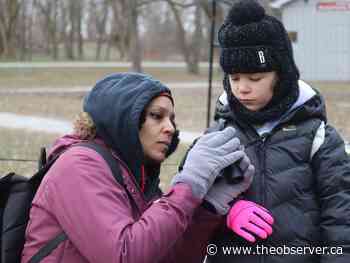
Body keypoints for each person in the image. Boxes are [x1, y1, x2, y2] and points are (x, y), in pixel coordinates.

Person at [21, 72, 261, 263]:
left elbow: (168, 257)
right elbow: (123, 255)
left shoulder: (138, 177)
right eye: (157, 116)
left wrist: (207, 208)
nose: (170, 128)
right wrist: (189, 184)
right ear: (123, 118)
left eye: (172, 119)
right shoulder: (79, 166)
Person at [204, 1, 350, 262]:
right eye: (234, 78)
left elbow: (341, 218)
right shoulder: (218, 133)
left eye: (255, 78)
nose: (242, 89)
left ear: (281, 75)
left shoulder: (318, 137)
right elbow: (186, 200)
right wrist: (226, 211)